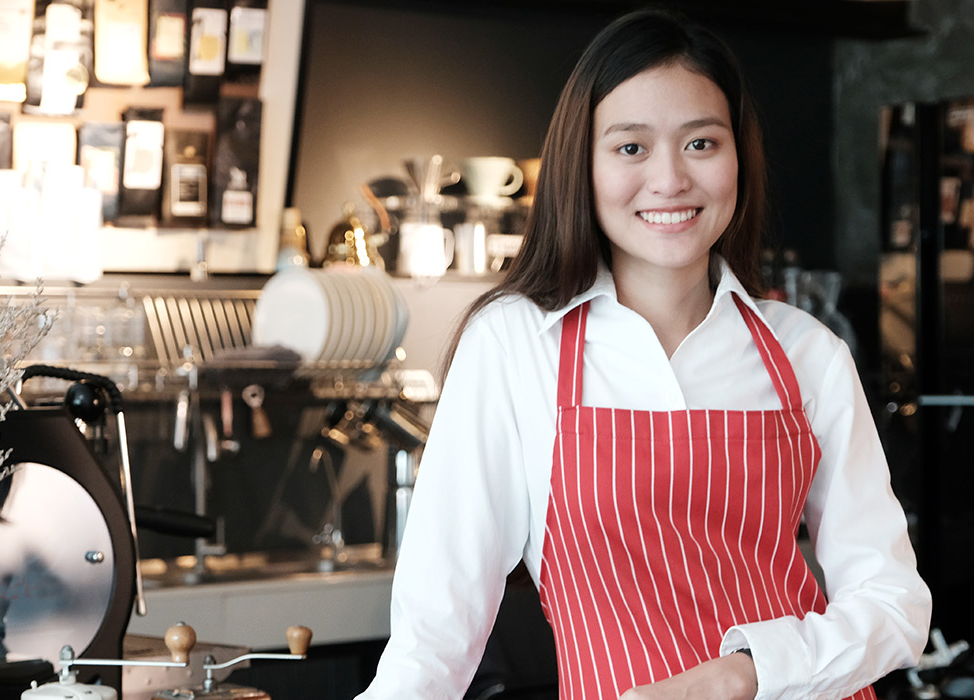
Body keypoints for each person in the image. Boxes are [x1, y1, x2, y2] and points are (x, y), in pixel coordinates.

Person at [357, 8, 931, 700]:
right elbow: (433, 639)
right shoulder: (514, 345)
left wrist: (739, 675)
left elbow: (895, 604)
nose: (669, 180)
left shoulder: (807, 354)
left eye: (701, 144)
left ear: (738, 157)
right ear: (584, 165)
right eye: (631, 148)